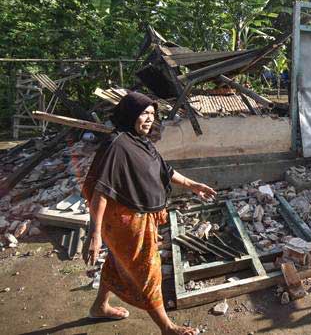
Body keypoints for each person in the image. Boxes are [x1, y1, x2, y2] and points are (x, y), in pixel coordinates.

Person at [81, 92, 217, 335]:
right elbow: (101, 191)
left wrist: (192, 185)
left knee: (118, 262)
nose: (148, 119)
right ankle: (167, 327)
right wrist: (94, 234)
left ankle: (99, 306)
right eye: (144, 113)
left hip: (139, 218)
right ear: (130, 113)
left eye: (152, 114)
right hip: (125, 220)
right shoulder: (118, 145)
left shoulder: (140, 142)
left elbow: (165, 171)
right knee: (147, 271)